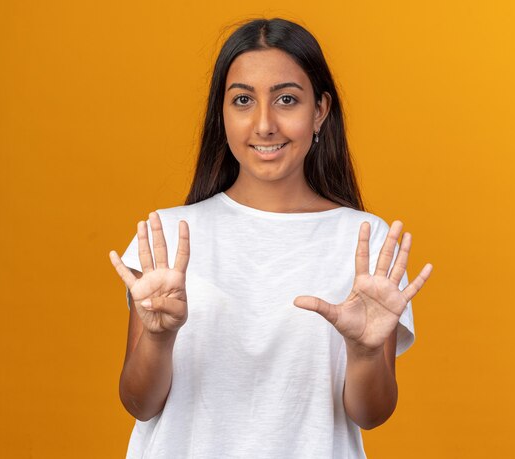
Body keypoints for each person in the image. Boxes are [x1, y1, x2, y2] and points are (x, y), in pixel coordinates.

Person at [109, 17, 433, 459]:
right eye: (243, 100)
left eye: (286, 99)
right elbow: (139, 403)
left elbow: (371, 413)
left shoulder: (365, 241)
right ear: (221, 114)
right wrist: (159, 338)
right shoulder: (168, 236)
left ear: (319, 110)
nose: (264, 124)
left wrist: (363, 351)